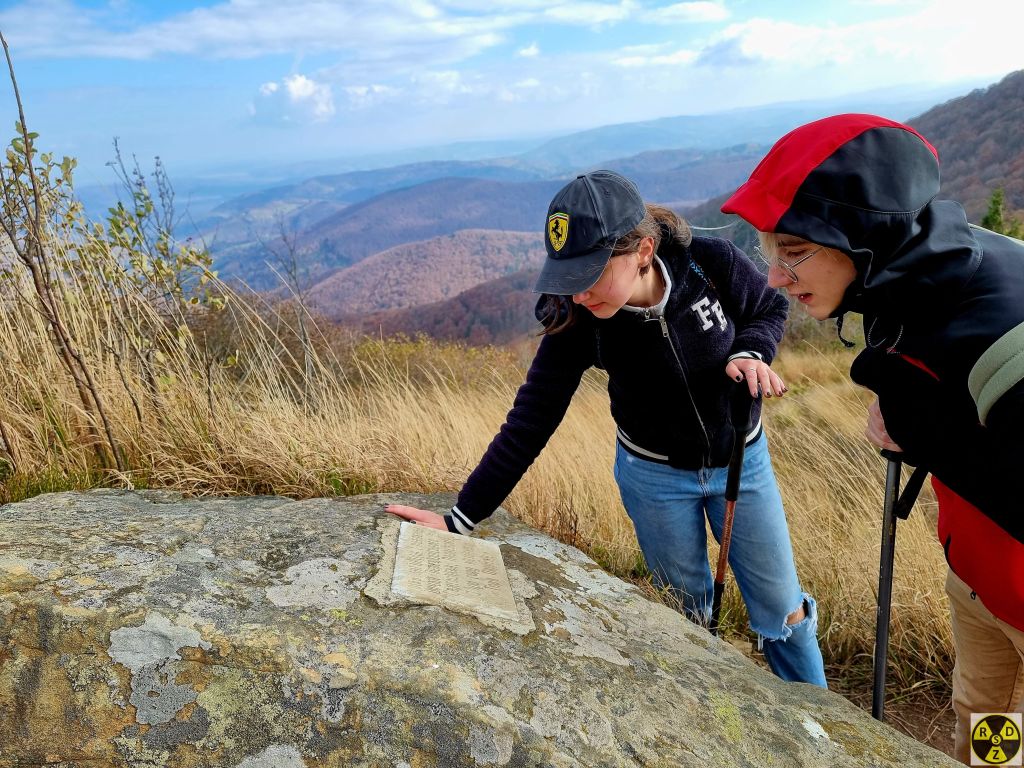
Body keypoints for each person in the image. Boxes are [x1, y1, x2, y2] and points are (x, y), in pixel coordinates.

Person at [386, 169, 827, 688]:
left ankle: (825, 730)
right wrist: (459, 520)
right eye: (567, 277)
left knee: (782, 611)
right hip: (654, 481)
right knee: (686, 615)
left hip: (741, 462)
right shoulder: (577, 323)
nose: (577, 294)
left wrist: (753, 350)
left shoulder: (708, 264)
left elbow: (768, 306)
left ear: (643, 250)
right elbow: (529, 421)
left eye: (591, 273)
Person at [721, 113, 1024, 763]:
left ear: (861, 237)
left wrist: (921, 432)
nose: (775, 275)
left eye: (794, 250)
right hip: (976, 583)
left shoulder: (1007, 328)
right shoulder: (912, 274)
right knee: (989, 729)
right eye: (769, 250)